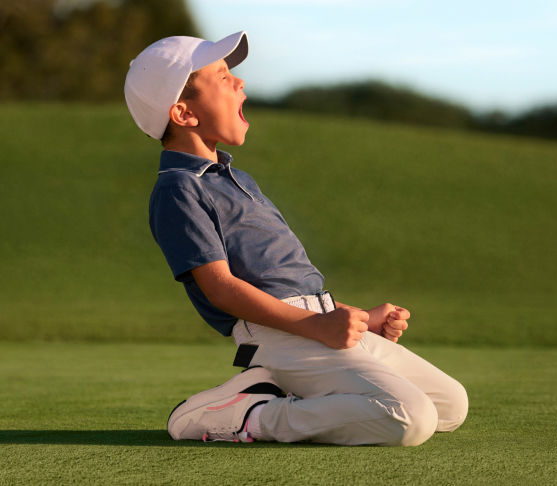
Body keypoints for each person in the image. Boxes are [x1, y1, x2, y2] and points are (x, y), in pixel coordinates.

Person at [124, 31, 468, 446]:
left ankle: (281, 390)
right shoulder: (178, 188)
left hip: (314, 324)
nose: (240, 82)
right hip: (275, 336)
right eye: (223, 77)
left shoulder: (235, 178)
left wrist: (353, 318)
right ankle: (248, 416)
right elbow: (221, 289)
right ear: (183, 113)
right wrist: (318, 326)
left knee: (450, 405)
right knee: (412, 418)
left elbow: (284, 279)